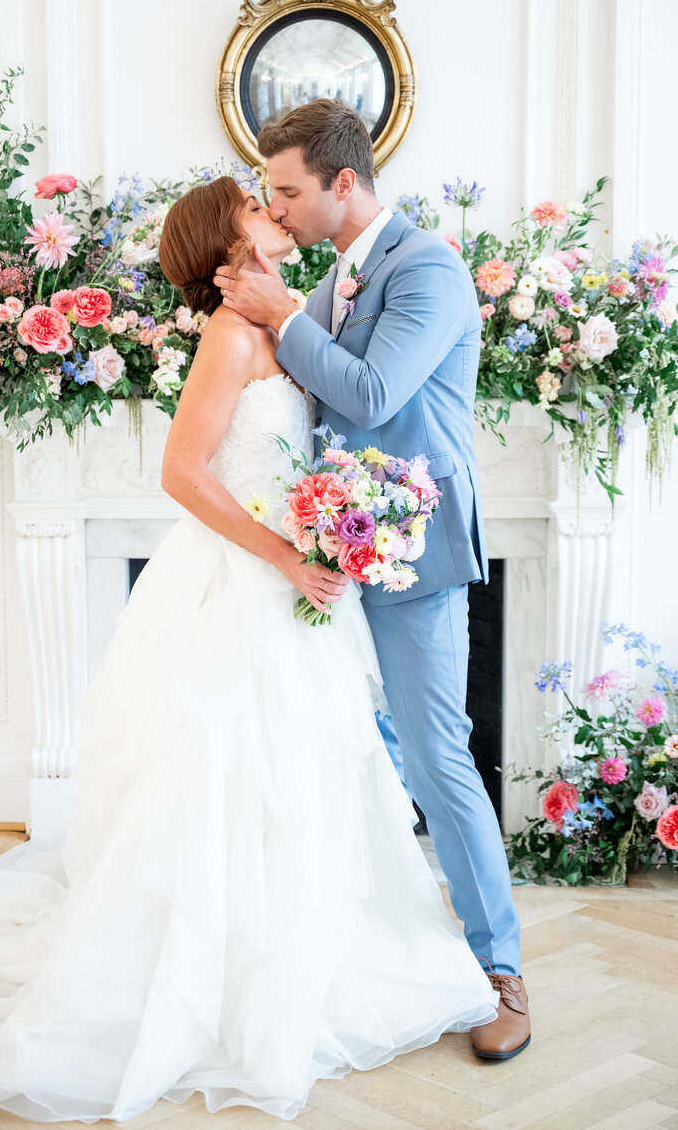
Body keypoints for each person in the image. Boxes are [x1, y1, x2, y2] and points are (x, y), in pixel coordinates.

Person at [0, 176, 498, 1122]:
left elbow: (353, 411)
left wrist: (327, 533)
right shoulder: (228, 335)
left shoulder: (299, 320)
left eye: (279, 195)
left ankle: (293, 953)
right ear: (230, 241)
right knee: (223, 777)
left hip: (303, 588)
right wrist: (291, 556)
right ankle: (206, 976)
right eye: (260, 205)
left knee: (301, 779)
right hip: (242, 584)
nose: (276, 213)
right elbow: (182, 471)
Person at [213, 98, 531, 1062]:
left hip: (417, 549)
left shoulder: (426, 265)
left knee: (437, 758)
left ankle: (503, 969)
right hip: (336, 550)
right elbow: (298, 395)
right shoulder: (336, 281)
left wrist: (274, 311)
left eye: (289, 190)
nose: (282, 205)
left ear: (343, 184)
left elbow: (376, 394)